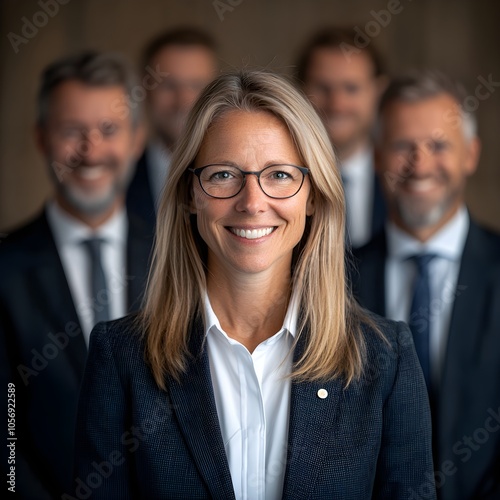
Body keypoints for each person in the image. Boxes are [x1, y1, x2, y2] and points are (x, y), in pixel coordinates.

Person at [73, 69, 436, 499]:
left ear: (314, 195)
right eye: (224, 174)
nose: (252, 202)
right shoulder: (121, 357)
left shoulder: (387, 358)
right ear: (191, 194)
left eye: (280, 175)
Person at [0, 51, 153, 499]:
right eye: (72, 131)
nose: (91, 150)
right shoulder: (5, 269)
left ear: (136, 139)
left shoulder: (180, 256)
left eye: (109, 130)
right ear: (41, 138)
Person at [351, 70, 500, 499]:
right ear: (377, 155)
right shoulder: (337, 279)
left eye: (438, 146)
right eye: (402, 146)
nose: (420, 163)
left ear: (470, 154)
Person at [296, 26, 387, 248]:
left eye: (351, 88)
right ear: (298, 90)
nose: (337, 104)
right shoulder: (278, 177)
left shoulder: (402, 175)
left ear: (379, 91)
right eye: (322, 87)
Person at [126, 26, 219, 227]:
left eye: (196, 86)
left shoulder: (243, 176)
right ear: (145, 91)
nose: (183, 101)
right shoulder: (118, 181)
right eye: (168, 86)